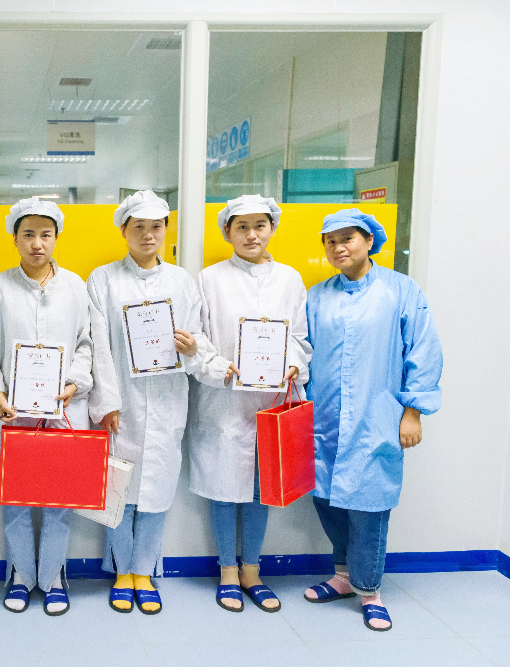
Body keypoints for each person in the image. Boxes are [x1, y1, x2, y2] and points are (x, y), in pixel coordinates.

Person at [302, 209, 442, 632]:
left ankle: (369, 590)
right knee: (326, 498)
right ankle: (343, 576)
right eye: (330, 241)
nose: (338, 247)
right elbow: (301, 350)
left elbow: (422, 351)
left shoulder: (401, 290)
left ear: (369, 240)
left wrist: (413, 412)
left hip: (377, 417)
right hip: (323, 417)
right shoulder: (316, 296)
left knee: (369, 505)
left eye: (347, 238)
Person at [0, 197, 102, 616]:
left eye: (45, 235)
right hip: (13, 412)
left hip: (63, 410)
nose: (37, 244)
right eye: (28, 234)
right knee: (16, 499)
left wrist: (74, 383)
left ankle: (53, 576)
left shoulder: (76, 287)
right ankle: (21, 576)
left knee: (60, 499)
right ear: (15, 238)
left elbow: (86, 344)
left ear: (56, 238)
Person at [185, 195, 312, 613]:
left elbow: (300, 339)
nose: (251, 234)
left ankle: (252, 571)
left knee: (261, 489)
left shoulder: (290, 279)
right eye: (242, 227)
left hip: (271, 401)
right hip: (224, 401)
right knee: (224, 490)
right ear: (227, 232)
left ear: (272, 228)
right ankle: (227, 571)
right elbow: (197, 338)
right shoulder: (209, 279)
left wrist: (293, 364)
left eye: (260, 225)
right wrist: (221, 368)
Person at [86, 190, 207, 615]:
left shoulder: (182, 282)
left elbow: (197, 335)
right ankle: (123, 571)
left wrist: (192, 346)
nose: (148, 235)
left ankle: (144, 572)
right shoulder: (102, 280)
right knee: (119, 490)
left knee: (157, 488)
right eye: (139, 227)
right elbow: (98, 346)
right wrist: (107, 401)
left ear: (166, 230)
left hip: (168, 399)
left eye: (156, 227)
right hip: (121, 403)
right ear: (124, 230)